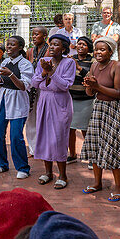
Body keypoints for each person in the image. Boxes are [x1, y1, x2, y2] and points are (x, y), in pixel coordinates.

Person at [81, 37, 120, 200]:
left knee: (113, 147)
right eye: (96, 49)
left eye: (103, 50)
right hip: (98, 108)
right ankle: (97, 182)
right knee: (95, 145)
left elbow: (119, 93)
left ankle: (119, 187)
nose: (98, 52)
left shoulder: (117, 66)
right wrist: (89, 86)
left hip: (114, 110)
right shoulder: (94, 65)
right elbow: (90, 92)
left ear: (110, 51)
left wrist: (97, 86)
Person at [31, 33, 77, 189]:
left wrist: (51, 73)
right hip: (44, 101)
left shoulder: (69, 63)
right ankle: (48, 172)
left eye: (56, 44)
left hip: (60, 103)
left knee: (58, 138)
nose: (52, 47)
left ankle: (63, 175)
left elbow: (65, 85)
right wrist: (44, 72)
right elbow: (35, 83)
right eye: (51, 44)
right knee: (44, 136)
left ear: (63, 48)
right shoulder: (44, 62)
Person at [0, 35, 33, 178]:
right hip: (3, 98)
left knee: (15, 136)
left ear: (20, 47)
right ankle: (1, 164)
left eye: (12, 45)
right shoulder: (5, 62)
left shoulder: (25, 64)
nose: (8, 47)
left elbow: (23, 86)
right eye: (7, 44)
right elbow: (0, 82)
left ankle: (22, 168)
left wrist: (11, 74)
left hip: (18, 100)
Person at [68, 36, 95, 162]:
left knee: (85, 129)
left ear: (88, 47)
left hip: (86, 100)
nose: (80, 46)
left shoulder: (93, 61)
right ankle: (72, 154)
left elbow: (92, 77)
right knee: (70, 129)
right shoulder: (71, 59)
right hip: (71, 98)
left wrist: (79, 68)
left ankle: (90, 157)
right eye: (79, 44)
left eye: (83, 44)